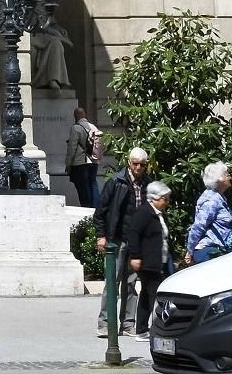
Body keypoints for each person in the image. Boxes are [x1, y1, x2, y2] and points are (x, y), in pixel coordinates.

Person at [95, 145, 149, 351]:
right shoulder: (116, 182)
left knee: (131, 283)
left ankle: (128, 323)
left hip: (136, 241)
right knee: (113, 281)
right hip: (117, 238)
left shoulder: (148, 184)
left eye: (142, 165)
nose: (138, 168)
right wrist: (101, 236)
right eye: (135, 164)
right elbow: (101, 211)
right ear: (128, 163)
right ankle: (105, 323)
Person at [123, 181, 175, 337]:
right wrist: (135, 256)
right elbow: (133, 233)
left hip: (160, 260)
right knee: (156, 295)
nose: (167, 202)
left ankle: (142, 329)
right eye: (164, 199)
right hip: (148, 261)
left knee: (147, 295)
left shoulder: (159, 214)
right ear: (154, 198)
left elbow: (164, 238)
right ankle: (157, 329)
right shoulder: (144, 212)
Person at [188, 162, 232, 263]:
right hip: (210, 253)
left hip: (220, 251)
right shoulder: (210, 201)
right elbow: (198, 227)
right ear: (219, 179)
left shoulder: (219, 197)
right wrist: (190, 251)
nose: (230, 177)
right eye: (227, 175)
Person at [65, 105, 103, 209]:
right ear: (84, 115)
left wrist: (68, 164)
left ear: (75, 116)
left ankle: (86, 207)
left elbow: (72, 148)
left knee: (83, 186)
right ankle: (96, 207)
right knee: (93, 183)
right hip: (93, 161)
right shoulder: (93, 127)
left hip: (80, 162)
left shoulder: (76, 128)